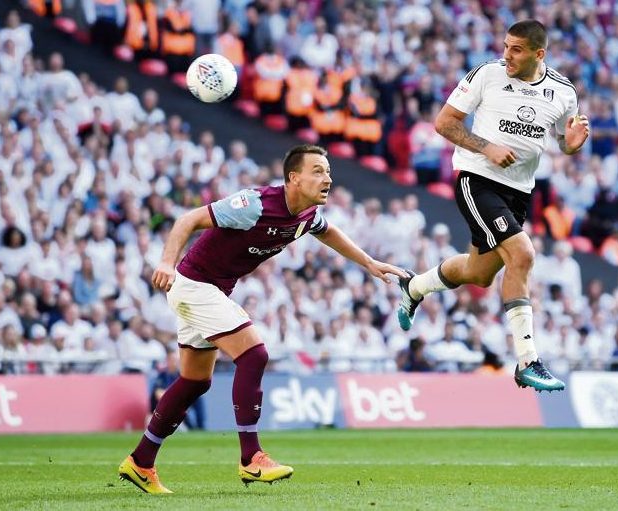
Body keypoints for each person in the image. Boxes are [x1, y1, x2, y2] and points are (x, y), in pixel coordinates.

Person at [118, 144, 406, 493]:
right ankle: (251, 458)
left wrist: (368, 263)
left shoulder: (307, 214)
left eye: (328, 171)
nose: (327, 177)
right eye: (318, 170)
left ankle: (141, 461)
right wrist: (165, 262)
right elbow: (188, 220)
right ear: (293, 178)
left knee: (195, 381)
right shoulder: (254, 205)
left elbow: (327, 231)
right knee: (254, 354)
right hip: (194, 284)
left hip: (212, 291)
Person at [396, 20, 590, 392]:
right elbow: (444, 123)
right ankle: (528, 361)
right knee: (523, 255)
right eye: (505, 46)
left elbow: (563, 141)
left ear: (539, 54)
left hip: (519, 191)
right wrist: (486, 147)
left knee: (479, 273)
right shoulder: (486, 74)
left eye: (516, 49)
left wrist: (571, 144)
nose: (506, 55)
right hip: (477, 179)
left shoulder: (563, 91)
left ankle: (414, 287)